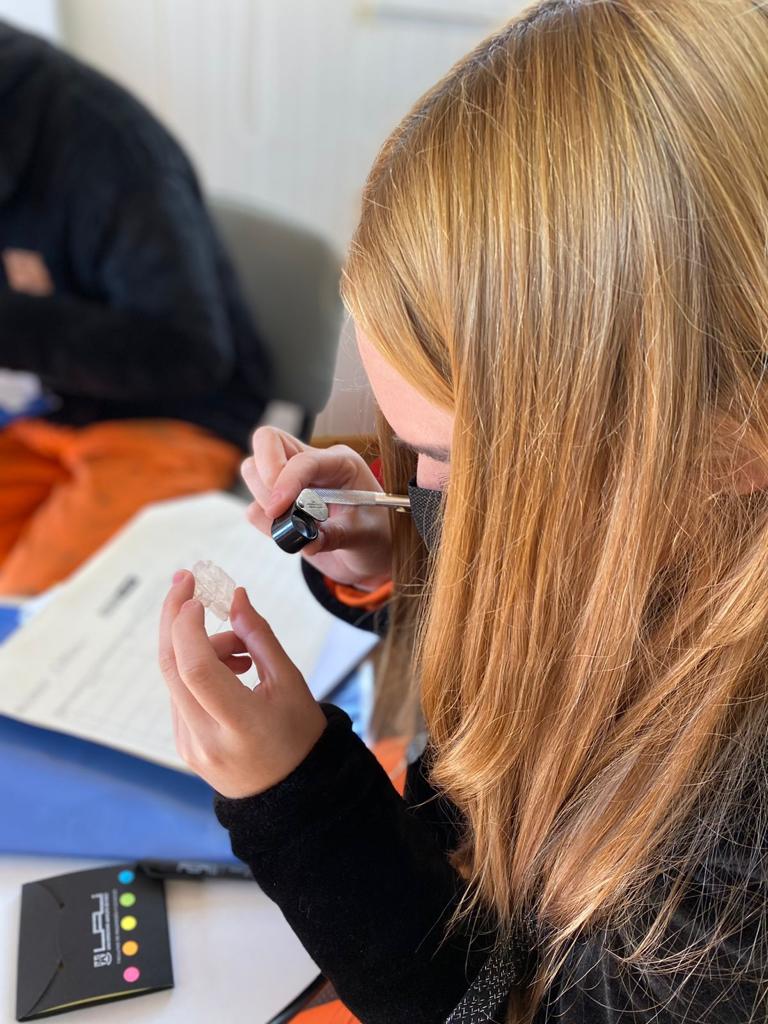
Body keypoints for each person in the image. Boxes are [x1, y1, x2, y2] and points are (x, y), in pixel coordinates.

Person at [158, 1, 768, 1020]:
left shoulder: (723, 888)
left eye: (438, 455)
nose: (419, 484)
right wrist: (395, 557)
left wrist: (300, 802)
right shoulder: (674, 509)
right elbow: (553, 585)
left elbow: (488, 992)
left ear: (726, 445)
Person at [0, 21, 270, 595]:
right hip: (57, 411)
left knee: (29, 617)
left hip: (179, 416)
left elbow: (191, 355)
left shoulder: (107, 148)